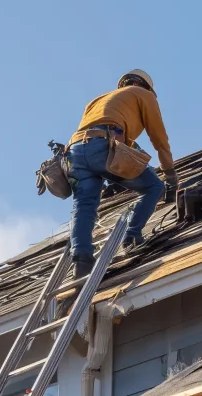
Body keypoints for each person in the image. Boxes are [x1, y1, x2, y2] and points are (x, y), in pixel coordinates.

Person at [66, 70, 177, 276]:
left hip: (75, 151)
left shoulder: (99, 100)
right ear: (145, 86)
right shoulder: (144, 95)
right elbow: (159, 139)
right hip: (102, 147)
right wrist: (170, 176)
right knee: (154, 186)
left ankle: (81, 260)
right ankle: (131, 236)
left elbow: (125, 144)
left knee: (84, 204)